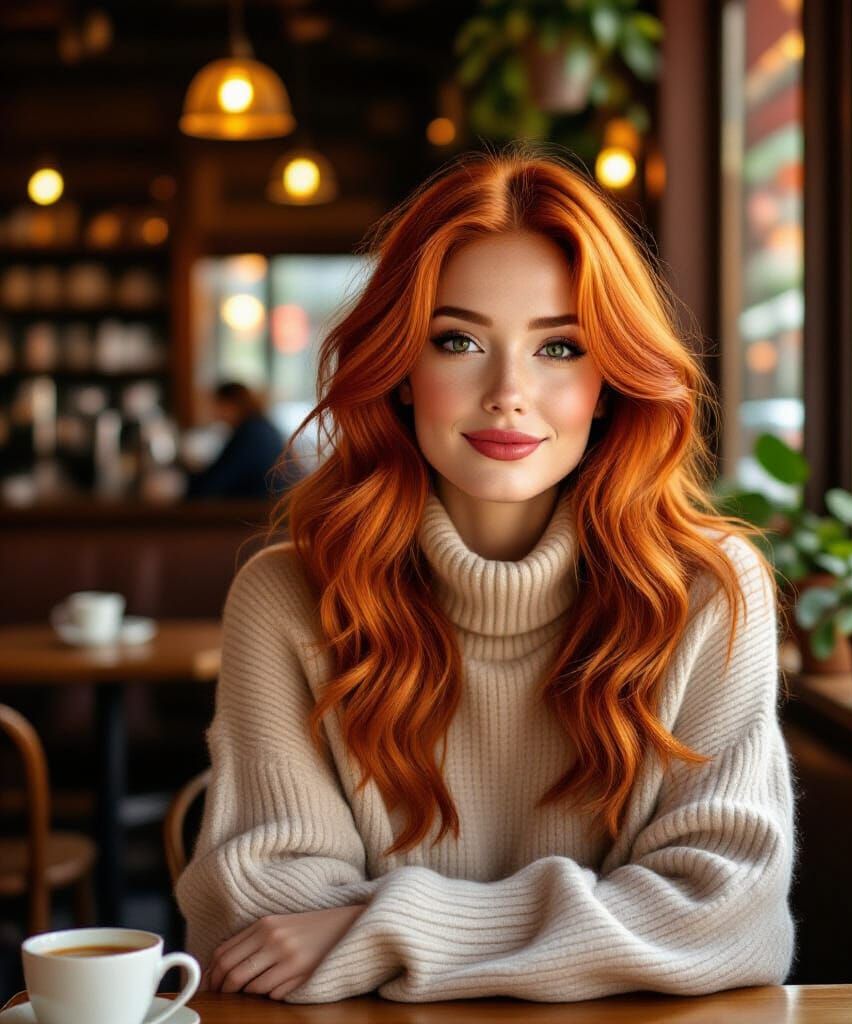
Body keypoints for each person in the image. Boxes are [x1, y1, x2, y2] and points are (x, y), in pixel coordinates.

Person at [175, 143, 798, 1004]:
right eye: (459, 340)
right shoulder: (291, 597)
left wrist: (387, 928)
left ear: (611, 384)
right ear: (399, 370)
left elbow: (727, 916)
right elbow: (256, 920)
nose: (508, 392)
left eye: (560, 348)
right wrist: (591, 936)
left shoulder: (707, 590)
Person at [185, 381, 289, 499]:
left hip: (258, 509)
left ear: (230, 405)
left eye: (215, 405)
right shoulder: (261, 426)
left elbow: (215, 483)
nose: (213, 412)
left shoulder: (250, 433)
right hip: (272, 504)